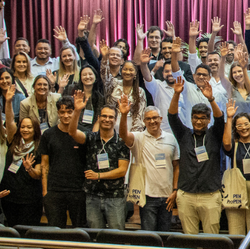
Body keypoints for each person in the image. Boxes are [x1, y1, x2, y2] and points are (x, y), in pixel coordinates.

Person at [169, 77, 226, 234]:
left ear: (208, 120)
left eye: (203, 118)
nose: (199, 122)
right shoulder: (184, 134)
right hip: (186, 195)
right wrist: (176, 94)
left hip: (211, 195)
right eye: (196, 118)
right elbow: (172, 117)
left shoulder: (214, 134)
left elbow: (220, 119)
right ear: (191, 118)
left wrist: (211, 99)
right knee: (190, 239)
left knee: (212, 239)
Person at [75, 97, 131, 230]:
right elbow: (72, 132)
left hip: (115, 196)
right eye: (104, 116)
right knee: (95, 236)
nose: (107, 119)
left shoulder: (121, 142)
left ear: (115, 120)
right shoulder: (91, 137)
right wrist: (77, 111)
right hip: (92, 196)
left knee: (116, 236)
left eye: (111, 117)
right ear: (98, 118)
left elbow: (122, 170)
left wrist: (98, 176)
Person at [123, 100, 179, 233]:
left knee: (164, 235)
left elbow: (176, 166)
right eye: (148, 119)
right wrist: (124, 114)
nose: (152, 121)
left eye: (155, 118)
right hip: (147, 197)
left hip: (167, 197)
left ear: (160, 119)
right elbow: (123, 135)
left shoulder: (171, 138)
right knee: (148, 237)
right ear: (144, 121)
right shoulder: (139, 138)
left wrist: (175, 190)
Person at [39, 94, 88, 228]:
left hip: (77, 189)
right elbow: (44, 163)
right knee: (55, 229)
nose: (66, 115)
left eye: (69, 112)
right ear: (58, 113)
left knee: (80, 229)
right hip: (54, 189)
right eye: (62, 112)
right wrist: (45, 191)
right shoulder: (48, 134)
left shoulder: (83, 133)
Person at [0, 116, 44, 227]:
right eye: (22, 127)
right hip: (9, 197)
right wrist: (8, 101)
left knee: (27, 231)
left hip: (29, 199)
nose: (25, 130)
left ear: (35, 129)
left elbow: (38, 174)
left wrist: (29, 169)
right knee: (11, 229)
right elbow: (9, 122)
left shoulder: (40, 147)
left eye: (29, 127)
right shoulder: (13, 141)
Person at [222, 101, 250, 235]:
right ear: (235, 128)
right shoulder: (234, 144)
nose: (243, 128)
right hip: (236, 188)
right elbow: (226, 143)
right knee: (235, 230)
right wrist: (230, 118)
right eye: (239, 125)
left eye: (245, 124)